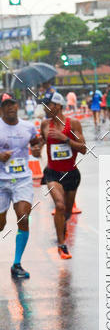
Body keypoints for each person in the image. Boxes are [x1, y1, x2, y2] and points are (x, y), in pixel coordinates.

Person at [0, 93, 43, 278]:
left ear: (17, 106)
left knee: (23, 217)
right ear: (1, 109)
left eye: (13, 104)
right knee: (0, 225)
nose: (10, 107)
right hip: (1, 181)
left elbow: (36, 142)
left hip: (22, 179)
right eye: (6, 105)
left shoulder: (28, 127)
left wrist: (36, 149)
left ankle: (17, 264)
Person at [40, 92, 87, 260]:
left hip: (71, 174)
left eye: (48, 105)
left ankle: (63, 225)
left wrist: (65, 139)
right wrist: (36, 148)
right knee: (59, 206)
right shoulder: (45, 125)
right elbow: (40, 143)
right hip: (52, 173)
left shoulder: (73, 124)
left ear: (58, 106)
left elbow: (83, 149)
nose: (45, 108)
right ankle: (62, 244)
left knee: (66, 212)